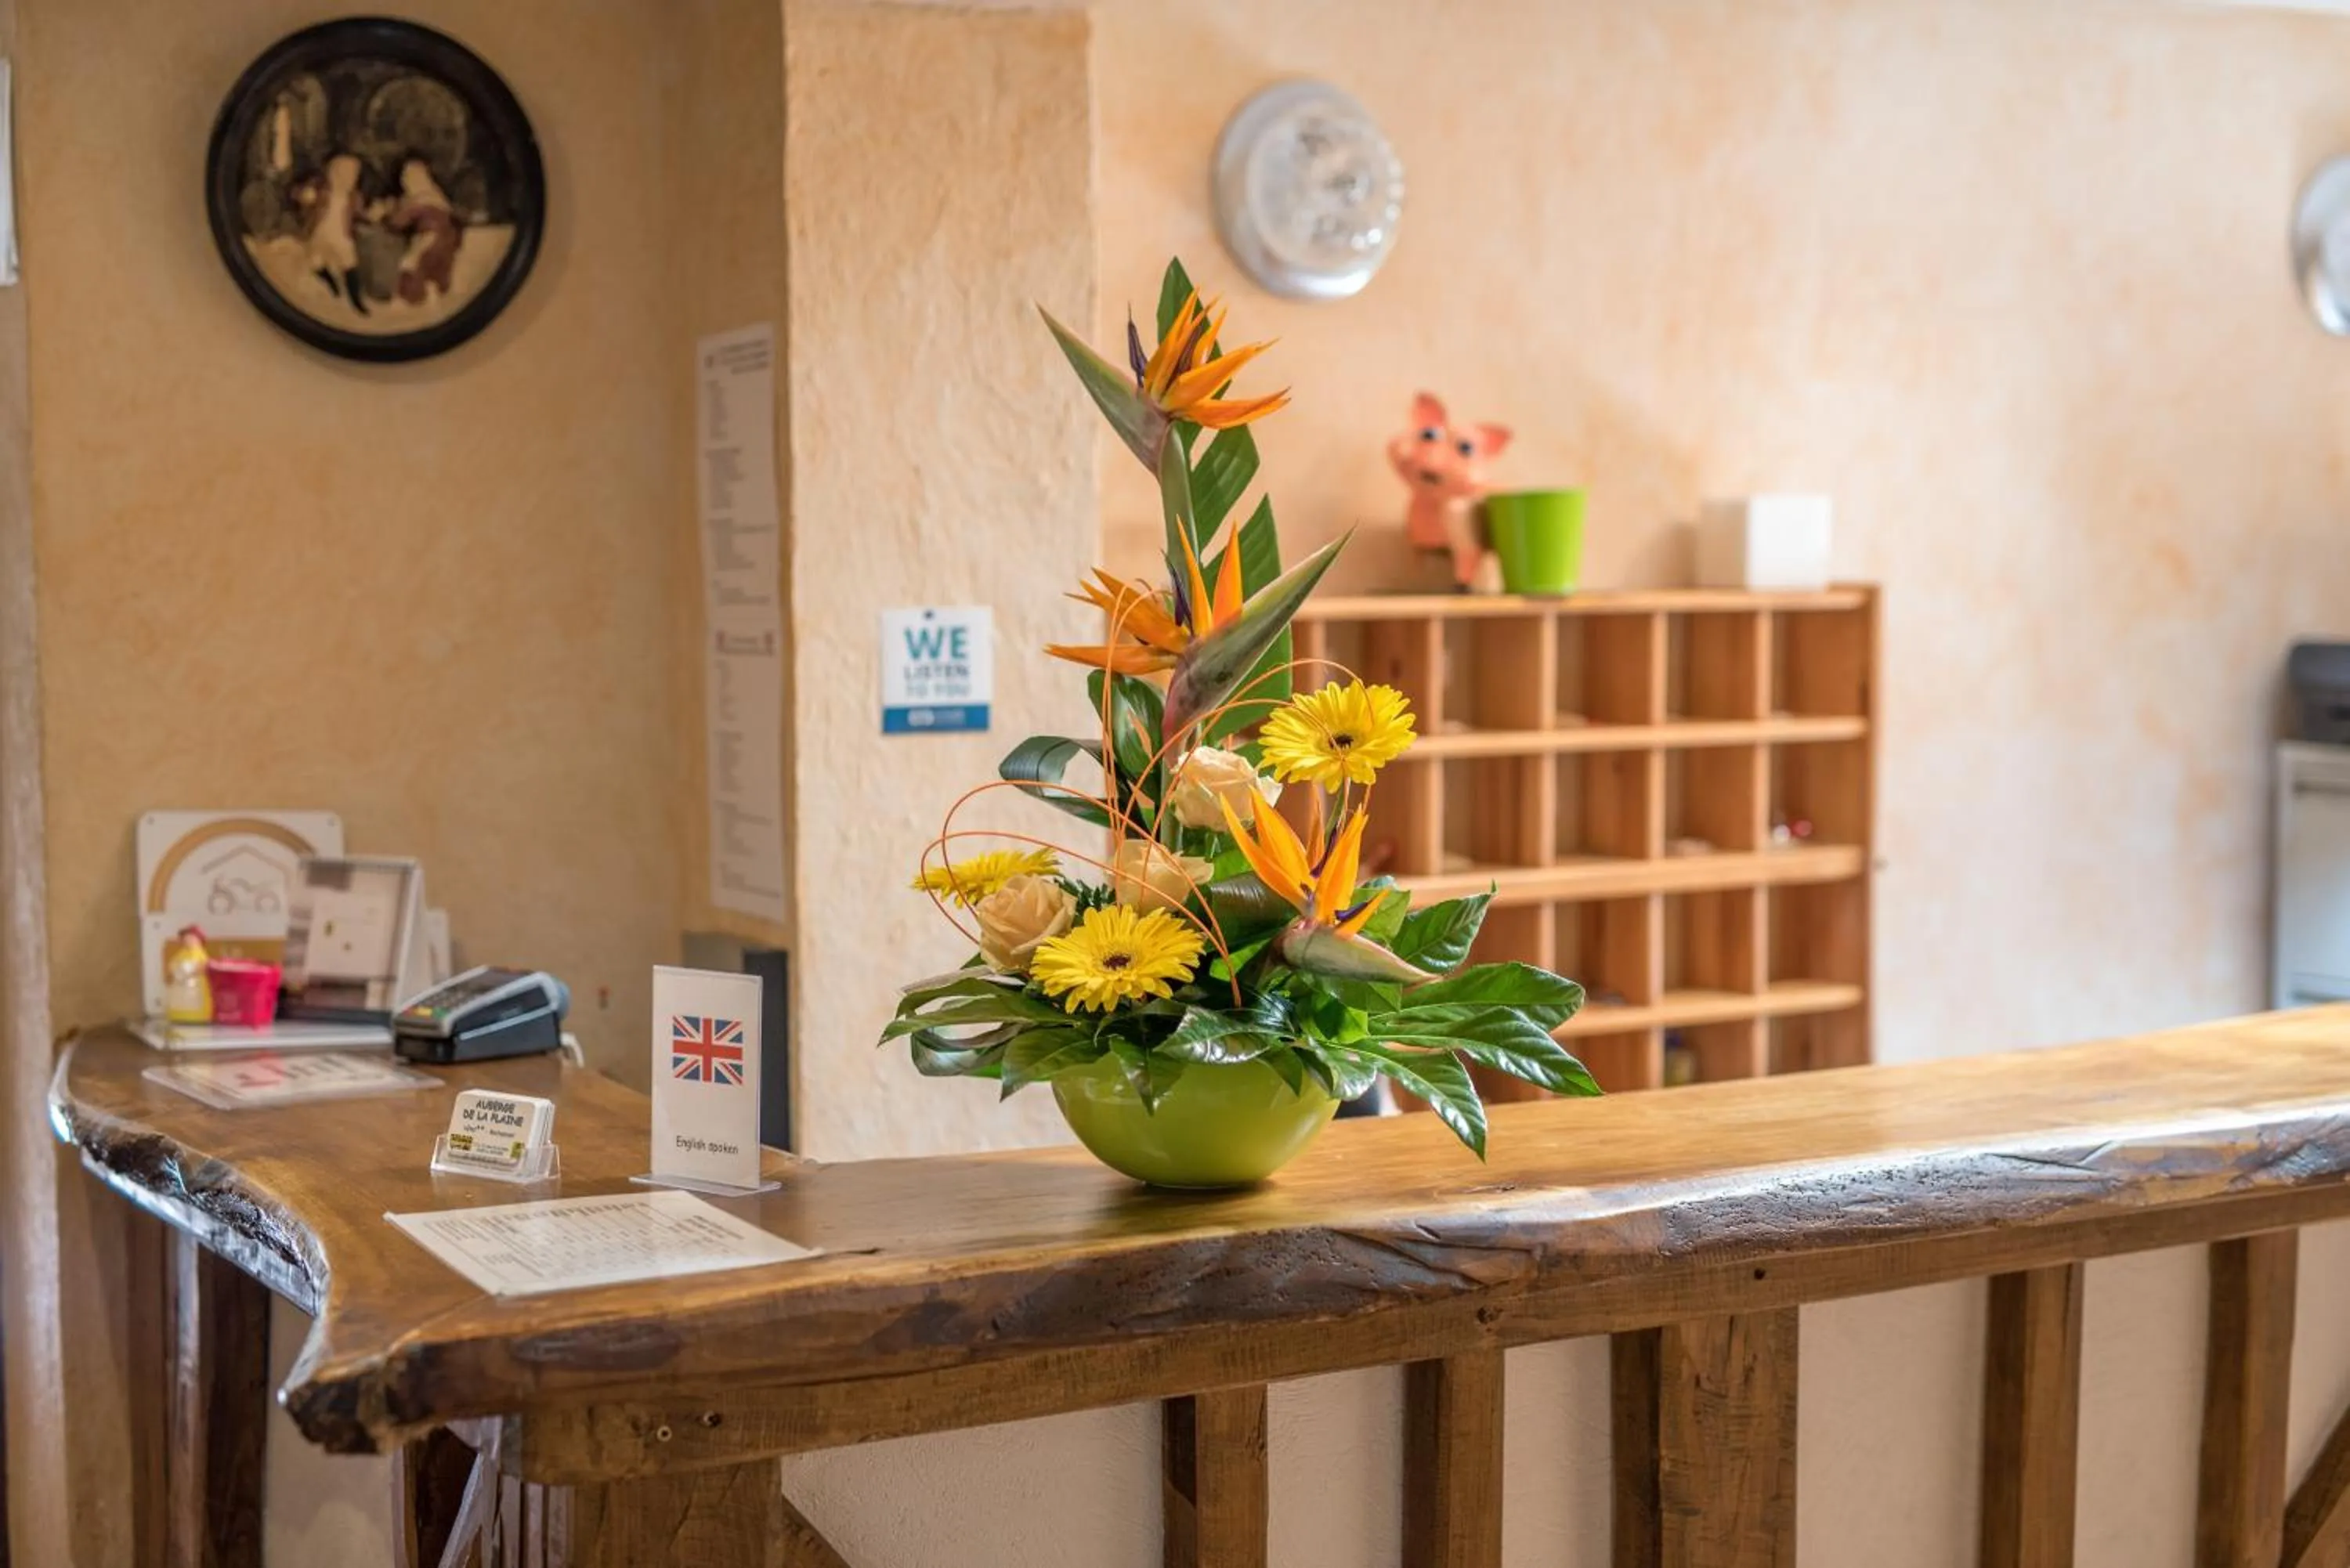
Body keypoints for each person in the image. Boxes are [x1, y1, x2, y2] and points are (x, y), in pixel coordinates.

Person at [389, 157, 462, 307]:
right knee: (440, 269)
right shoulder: (438, 197)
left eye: (407, 177)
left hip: (429, 238)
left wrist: (388, 213)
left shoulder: (420, 200)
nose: (405, 181)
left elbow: (398, 222)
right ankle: (440, 294)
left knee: (409, 263)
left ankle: (410, 298)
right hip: (448, 240)